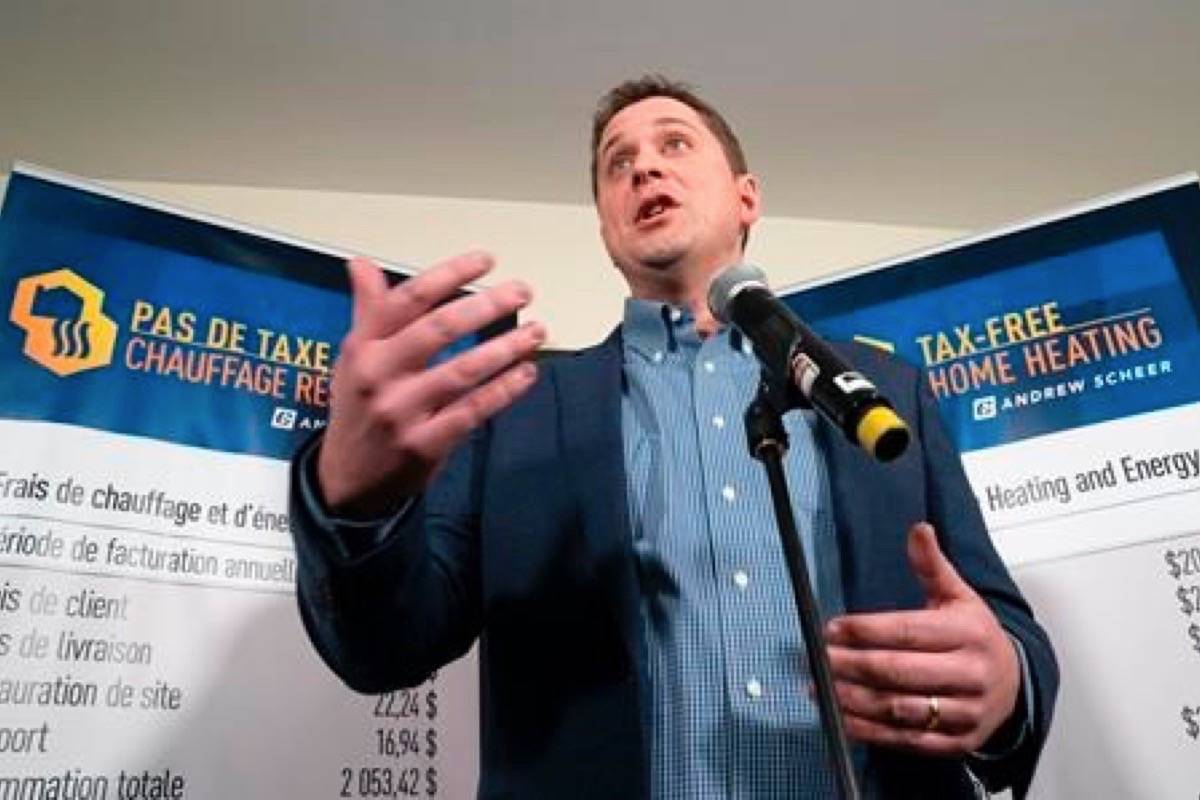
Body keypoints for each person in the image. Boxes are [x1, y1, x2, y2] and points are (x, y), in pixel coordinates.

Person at [290, 75, 1058, 798]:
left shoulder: (887, 392)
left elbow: (1003, 629)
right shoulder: (515, 408)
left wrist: (1006, 685)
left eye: (675, 145)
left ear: (746, 197)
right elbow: (387, 648)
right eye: (616, 163)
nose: (643, 168)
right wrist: (353, 503)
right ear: (605, 229)